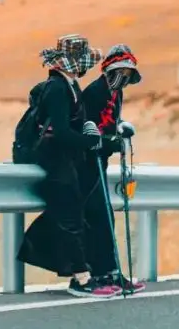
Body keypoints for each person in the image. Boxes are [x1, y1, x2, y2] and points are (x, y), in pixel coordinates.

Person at [17, 34, 124, 298]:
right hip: (55, 162)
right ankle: (81, 279)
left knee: (73, 217)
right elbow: (62, 132)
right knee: (70, 220)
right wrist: (89, 142)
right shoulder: (58, 88)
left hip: (61, 161)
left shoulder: (68, 86)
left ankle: (85, 275)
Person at [80, 44, 146, 294]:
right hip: (86, 164)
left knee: (104, 217)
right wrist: (107, 141)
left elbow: (110, 125)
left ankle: (111, 272)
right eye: (121, 72)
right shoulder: (95, 92)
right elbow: (88, 127)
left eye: (127, 74)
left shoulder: (116, 93)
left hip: (100, 161)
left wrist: (116, 136)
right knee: (98, 217)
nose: (124, 78)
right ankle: (101, 272)